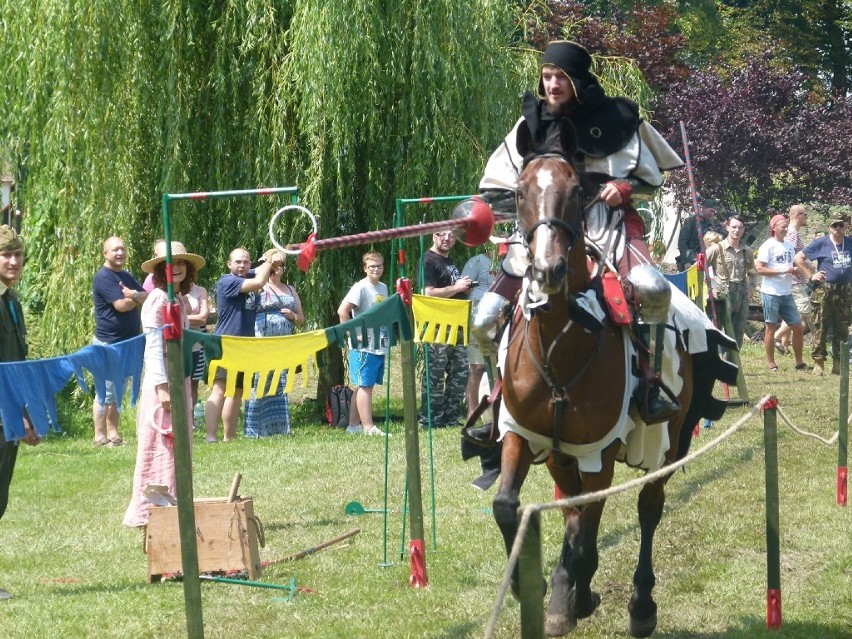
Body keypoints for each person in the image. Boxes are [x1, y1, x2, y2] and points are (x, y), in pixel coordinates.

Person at [475, 40, 685, 425]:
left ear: (577, 80)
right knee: (484, 316)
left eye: (560, 77)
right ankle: (497, 400)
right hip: (545, 232)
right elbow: (498, 189)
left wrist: (624, 188)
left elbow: (651, 180)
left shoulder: (615, 117)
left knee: (652, 289)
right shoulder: (530, 123)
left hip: (608, 222)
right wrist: (480, 212)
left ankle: (649, 385)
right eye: (547, 76)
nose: (552, 85)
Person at [123, 241, 205, 528]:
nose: (178, 268)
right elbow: (154, 345)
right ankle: (151, 513)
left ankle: (176, 507)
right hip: (163, 384)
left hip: (178, 379)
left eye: (182, 263)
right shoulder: (157, 300)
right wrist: (162, 387)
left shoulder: (179, 301)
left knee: (178, 446)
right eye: (171, 263)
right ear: (160, 269)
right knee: (161, 444)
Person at [204, 246, 283, 442]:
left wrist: (276, 252)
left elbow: (260, 269)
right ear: (229, 264)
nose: (242, 265)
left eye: (246, 261)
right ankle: (210, 436)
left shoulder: (246, 275)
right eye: (238, 262)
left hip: (244, 346)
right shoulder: (227, 281)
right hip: (226, 343)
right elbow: (259, 279)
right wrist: (270, 261)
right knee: (220, 389)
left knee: (237, 391)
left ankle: (229, 438)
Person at [0, 225, 40, 600]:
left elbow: (18, 362)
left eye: (18, 255)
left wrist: (27, 413)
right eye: (5, 255)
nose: (13, 261)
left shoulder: (11, 300)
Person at [91, 236, 147, 446]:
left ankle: (114, 434)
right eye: (115, 250)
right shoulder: (103, 277)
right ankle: (99, 436)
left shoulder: (125, 276)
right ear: (105, 253)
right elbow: (121, 305)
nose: (120, 253)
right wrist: (134, 297)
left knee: (118, 391)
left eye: (122, 249)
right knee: (104, 391)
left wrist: (133, 295)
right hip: (108, 344)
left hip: (126, 344)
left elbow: (148, 296)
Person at [244, 258, 304, 437]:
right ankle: (255, 429)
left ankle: (279, 428)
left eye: (281, 266)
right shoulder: (259, 286)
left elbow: (302, 319)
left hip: (283, 345)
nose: (278, 269)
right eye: (274, 266)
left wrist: (293, 315)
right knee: (259, 383)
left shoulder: (291, 289)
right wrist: (269, 259)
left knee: (280, 382)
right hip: (261, 341)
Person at [418, 230, 472, 428]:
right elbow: (428, 293)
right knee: (435, 373)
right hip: (438, 326)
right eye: (442, 234)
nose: (447, 238)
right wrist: (457, 288)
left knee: (460, 371)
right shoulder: (428, 261)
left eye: (451, 235)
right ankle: (430, 419)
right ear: (433, 236)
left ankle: (451, 417)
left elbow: (450, 288)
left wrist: (463, 288)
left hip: (457, 324)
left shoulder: (449, 261)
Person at [337, 251, 390, 436]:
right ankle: (368, 427)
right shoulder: (360, 288)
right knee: (365, 385)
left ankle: (353, 426)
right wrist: (352, 334)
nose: (376, 269)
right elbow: (342, 311)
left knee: (364, 386)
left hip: (378, 343)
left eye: (379, 266)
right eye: (372, 266)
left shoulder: (383, 287)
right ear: (365, 268)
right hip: (363, 345)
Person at [794, 213, 852, 376]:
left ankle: (838, 363)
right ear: (829, 227)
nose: (838, 229)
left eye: (841, 225)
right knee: (821, 326)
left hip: (845, 291)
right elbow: (799, 258)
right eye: (835, 226)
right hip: (824, 290)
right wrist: (810, 275)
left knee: (842, 327)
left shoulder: (849, 243)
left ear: (845, 227)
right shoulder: (821, 243)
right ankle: (818, 362)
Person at [755, 214, 808, 372]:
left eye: (786, 226)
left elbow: (790, 266)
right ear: (774, 228)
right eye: (783, 226)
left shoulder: (789, 247)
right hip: (771, 292)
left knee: (797, 327)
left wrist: (797, 271)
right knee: (770, 327)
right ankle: (771, 363)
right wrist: (782, 270)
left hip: (787, 292)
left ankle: (799, 362)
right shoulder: (768, 245)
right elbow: (760, 269)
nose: (786, 229)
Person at [705, 215, 757, 347]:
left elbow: (752, 272)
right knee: (722, 330)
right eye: (733, 227)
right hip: (724, 294)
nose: (737, 230)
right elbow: (700, 268)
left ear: (744, 229)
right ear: (727, 227)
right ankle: (720, 361)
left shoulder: (747, 251)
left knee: (738, 331)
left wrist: (751, 287)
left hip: (741, 293)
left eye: (740, 227)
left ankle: (734, 360)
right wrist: (711, 287)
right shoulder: (717, 249)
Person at [461, 250, 495, 420]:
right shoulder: (476, 261)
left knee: (497, 366)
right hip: (478, 313)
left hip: (500, 315)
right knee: (477, 367)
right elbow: (464, 287)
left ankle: (495, 409)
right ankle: (472, 412)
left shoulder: (510, 260)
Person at [775, 205, 812, 354]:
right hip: (793, 280)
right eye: (805, 214)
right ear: (797, 215)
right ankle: (776, 337)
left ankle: (784, 345)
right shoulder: (791, 233)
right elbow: (789, 256)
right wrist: (808, 269)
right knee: (803, 310)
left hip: (794, 279)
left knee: (793, 311)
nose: (807, 217)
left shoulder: (793, 233)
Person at [677, 199, 725, 272]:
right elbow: (682, 242)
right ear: (702, 208)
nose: (712, 214)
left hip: (707, 260)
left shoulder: (712, 223)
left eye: (714, 212)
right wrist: (686, 261)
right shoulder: (691, 221)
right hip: (692, 260)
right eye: (711, 211)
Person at [185, 278, 209, 409]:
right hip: (177, 344)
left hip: (197, 343)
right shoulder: (170, 291)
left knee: (193, 382)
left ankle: (191, 416)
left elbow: (203, 318)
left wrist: (179, 318)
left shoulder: (200, 291)